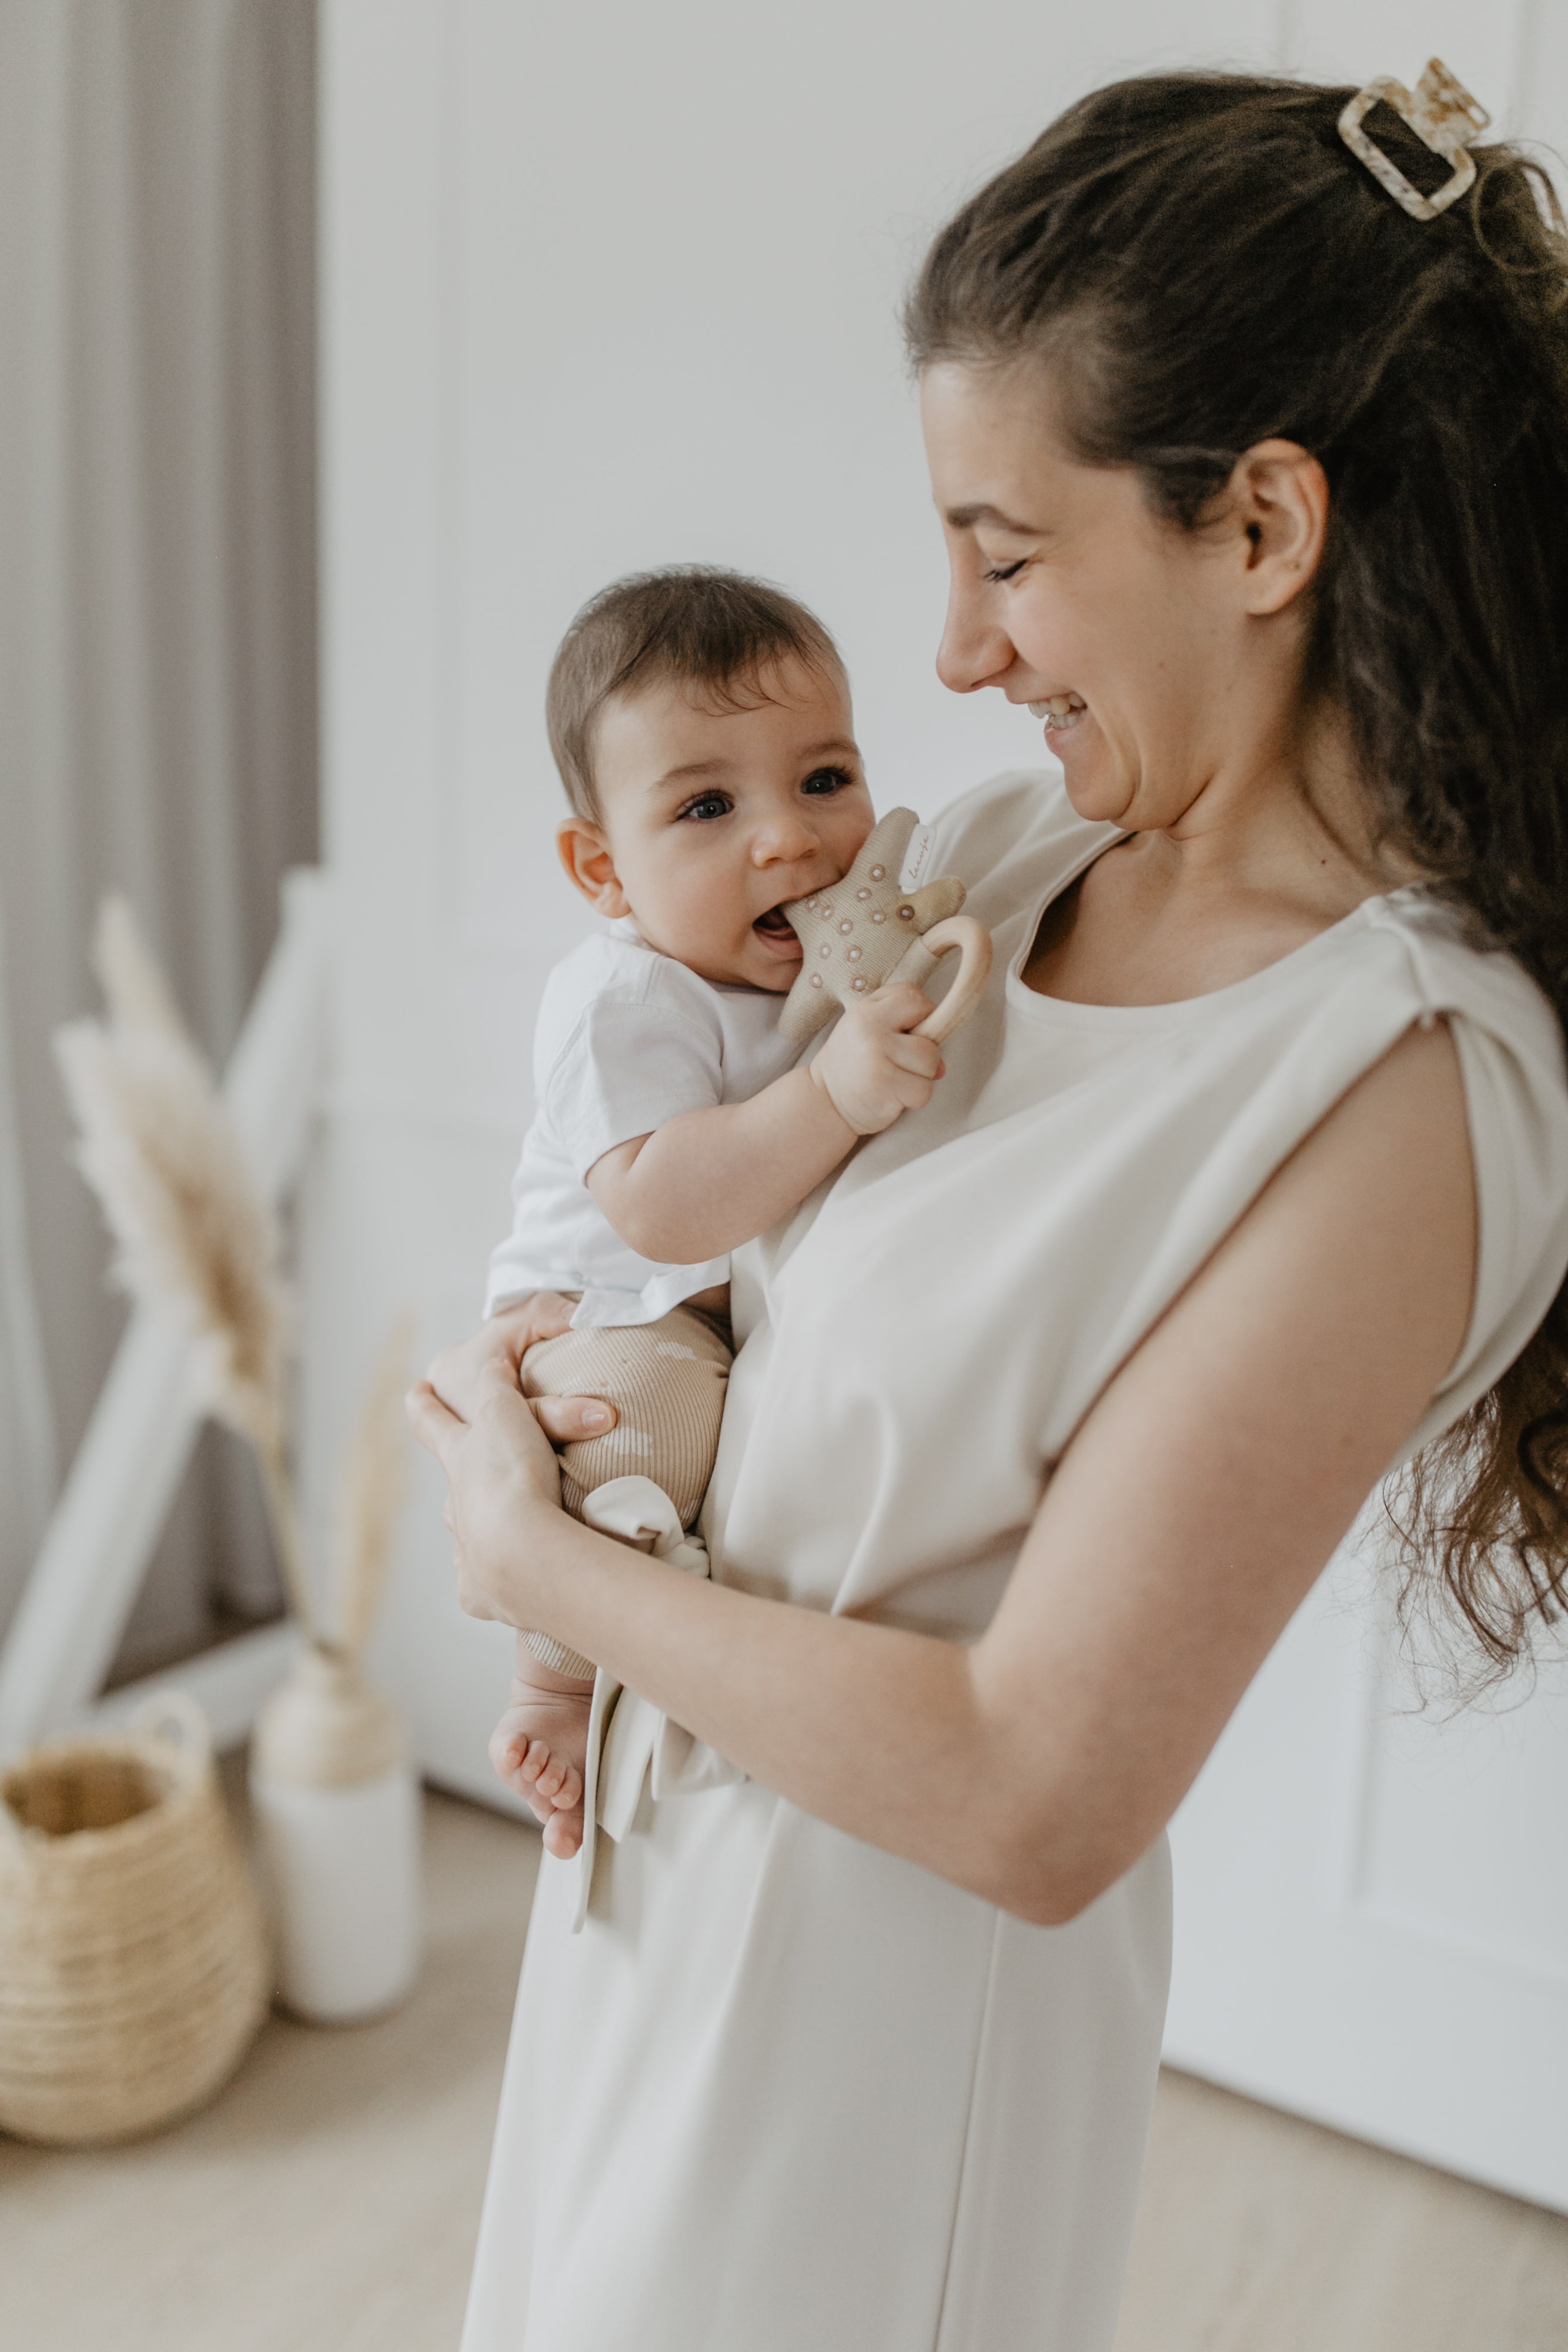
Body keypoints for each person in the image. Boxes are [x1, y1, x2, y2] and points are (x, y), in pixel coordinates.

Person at [409, 72, 1568, 2352]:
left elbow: (1041, 1789)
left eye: (1006, 552)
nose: (948, 651)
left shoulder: (1401, 1091)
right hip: (651, 1893)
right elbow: (703, 1204)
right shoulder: (1009, 864)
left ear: (1259, 527)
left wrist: (536, 1562)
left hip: (870, 2036)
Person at [483, 566, 961, 1842]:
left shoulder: (800, 961)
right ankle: (548, 1683)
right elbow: (660, 1207)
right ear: (603, 869)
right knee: (637, 1426)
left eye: (822, 779)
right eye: (706, 802)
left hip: (717, 1314)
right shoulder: (624, 1000)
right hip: (608, 1315)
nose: (787, 839)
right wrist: (836, 1096)